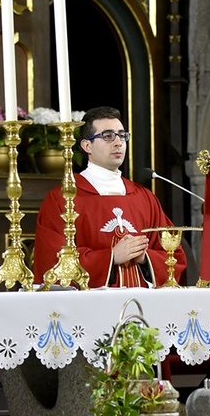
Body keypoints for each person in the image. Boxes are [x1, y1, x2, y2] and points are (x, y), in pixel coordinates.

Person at [33, 106, 187, 287]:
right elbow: (52, 262)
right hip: (91, 309)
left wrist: (145, 258)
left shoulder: (143, 198)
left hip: (143, 307)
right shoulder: (63, 199)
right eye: (107, 136)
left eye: (122, 136)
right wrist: (111, 257)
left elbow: (173, 255)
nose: (118, 143)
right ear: (87, 145)